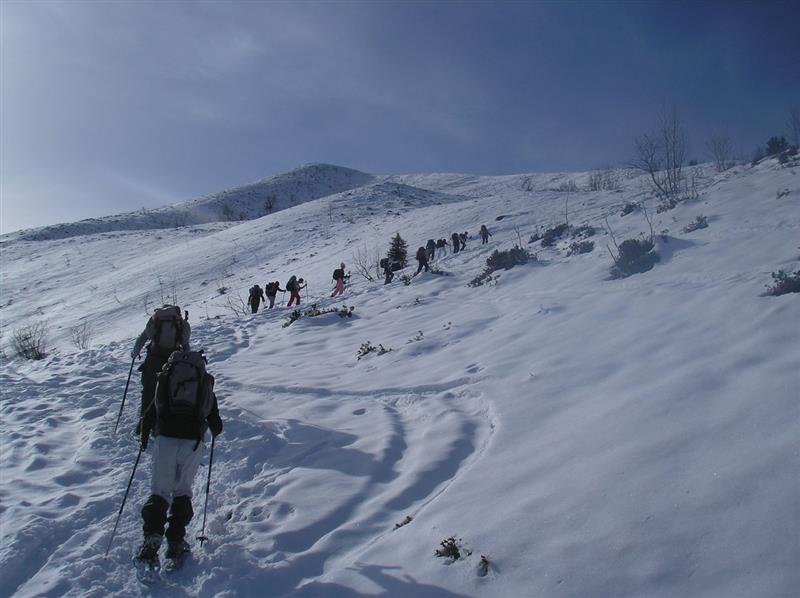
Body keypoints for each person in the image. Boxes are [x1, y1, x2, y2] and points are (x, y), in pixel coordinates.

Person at [136, 350, 222, 567]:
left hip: (165, 438)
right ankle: (175, 540)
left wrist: (145, 436)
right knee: (183, 490)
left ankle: (152, 537)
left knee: (160, 490)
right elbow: (216, 422)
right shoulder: (204, 381)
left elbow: (151, 411)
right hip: (192, 442)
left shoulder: (165, 378)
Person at [131, 306, 190, 432]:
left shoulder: (156, 321)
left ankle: (143, 424)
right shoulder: (179, 323)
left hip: (153, 360)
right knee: (167, 392)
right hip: (172, 361)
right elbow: (185, 345)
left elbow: (142, 338)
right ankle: (161, 424)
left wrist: (135, 353)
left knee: (149, 391)